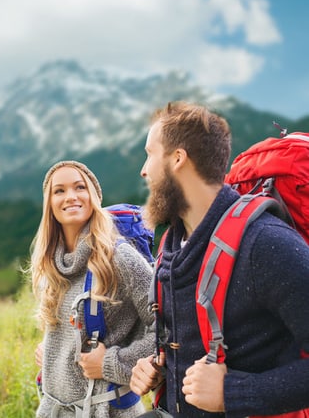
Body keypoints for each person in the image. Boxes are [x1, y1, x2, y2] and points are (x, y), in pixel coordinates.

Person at [130, 101, 309, 417]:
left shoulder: (265, 244)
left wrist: (235, 392)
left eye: (149, 154)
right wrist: (159, 369)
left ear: (177, 158)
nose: (144, 170)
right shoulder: (171, 248)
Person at [30, 160, 155, 417]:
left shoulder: (120, 259)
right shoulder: (51, 265)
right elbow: (68, 331)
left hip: (108, 411)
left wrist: (111, 363)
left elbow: (170, 327)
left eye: (79, 187)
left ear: (94, 197)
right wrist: (53, 352)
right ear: (49, 204)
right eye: (59, 190)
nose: (71, 197)